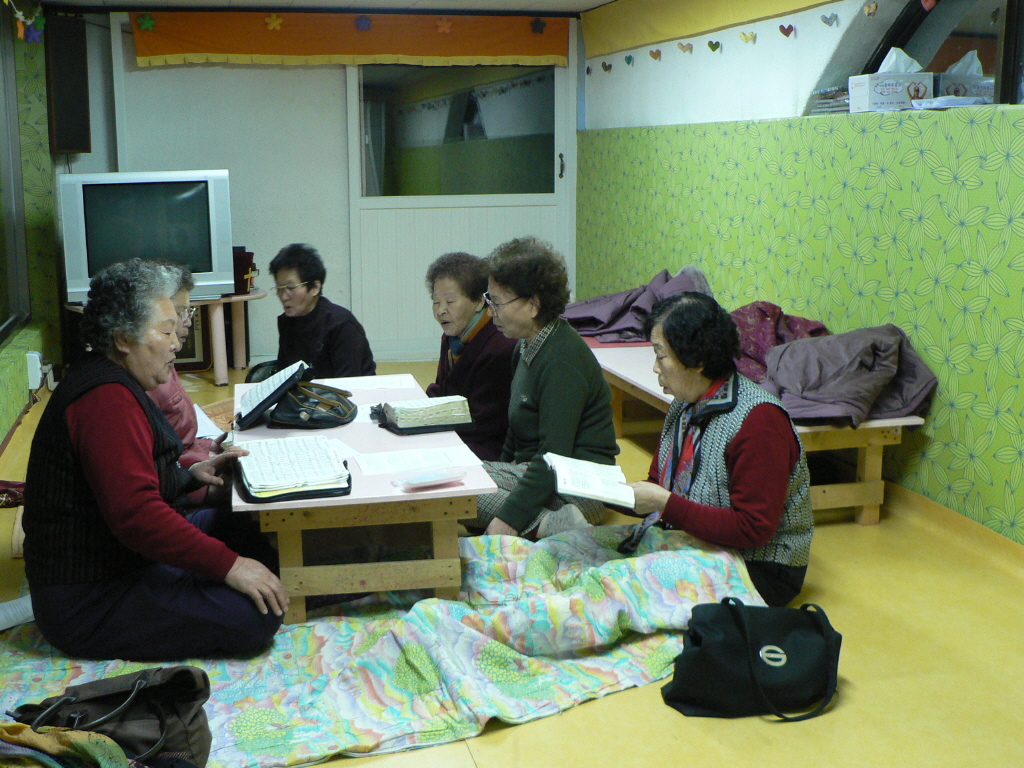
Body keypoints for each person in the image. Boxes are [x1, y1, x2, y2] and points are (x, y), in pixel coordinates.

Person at [22, 259, 287, 660]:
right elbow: (137, 517)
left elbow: (129, 484)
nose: (176, 342)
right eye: (165, 331)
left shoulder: (114, 379)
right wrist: (232, 567)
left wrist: (190, 476)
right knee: (256, 615)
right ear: (123, 338)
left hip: (124, 559)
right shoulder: (105, 400)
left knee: (243, 523)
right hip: (89, 598)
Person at [625, 292, 814, 607]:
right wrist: (603, 491)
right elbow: (658, 486)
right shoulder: (683, 405)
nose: (655, 367)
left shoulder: (759, 421)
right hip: (693, 541)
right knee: (574, 551)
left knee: (619, 589)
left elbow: (753, 529)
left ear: (697, 361)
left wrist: (664, 503)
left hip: (761, 567)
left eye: (660, 355)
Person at [471, 237, 619, 538]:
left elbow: (553, 457)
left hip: (581, 488)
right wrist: (501, 476)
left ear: (533, 304)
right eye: (490, 300)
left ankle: (546, 524)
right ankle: (548, 523)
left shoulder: (562, 360)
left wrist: (508, 519)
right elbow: (514, 435)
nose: (490, 312)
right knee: (463, 480)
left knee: (463, 492)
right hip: (541, 476)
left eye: (497, 303)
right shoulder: (525, 347)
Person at [424, 252, 517, 461]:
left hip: (486, 447)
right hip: (455, 432)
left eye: (450, 301)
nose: (440, 311)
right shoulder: (452, 338)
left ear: (479, 302)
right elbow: (443, 390)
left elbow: (484, 424)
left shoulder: (499, 346)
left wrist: (427, 430)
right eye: (436, 302)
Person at [148, 266, 224, 504]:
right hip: (181, 481)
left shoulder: (164, 361)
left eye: (188, 311)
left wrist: (210, 446)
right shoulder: (146, 374)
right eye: (181, 313)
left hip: (192, 466)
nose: (188, 321)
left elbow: (182, 438)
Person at [271, 243, 375, 378]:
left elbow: (347, 384)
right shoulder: (287, 322)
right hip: (309, 391)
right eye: (279, 288)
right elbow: (284, 376)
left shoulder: (342, 326)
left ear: (315, 287)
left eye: (291, 288)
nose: (284, 296)